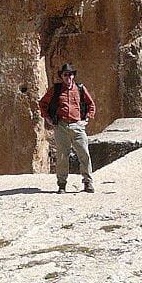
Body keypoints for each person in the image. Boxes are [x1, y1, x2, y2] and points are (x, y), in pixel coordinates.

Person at [38, 63, 96, 193]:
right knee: (62, 156)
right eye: (65, 74)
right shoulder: (56, 90)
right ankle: (62, 184)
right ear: (62, 76)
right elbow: (42, 103)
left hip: (77, 125)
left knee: (84, 154)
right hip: (61, 126)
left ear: (73, 75)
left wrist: (86, 119)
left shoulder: (80, 88)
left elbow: (91, 104)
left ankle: (87, 182)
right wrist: (47, 118)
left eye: (70, 74)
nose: (68, 77)